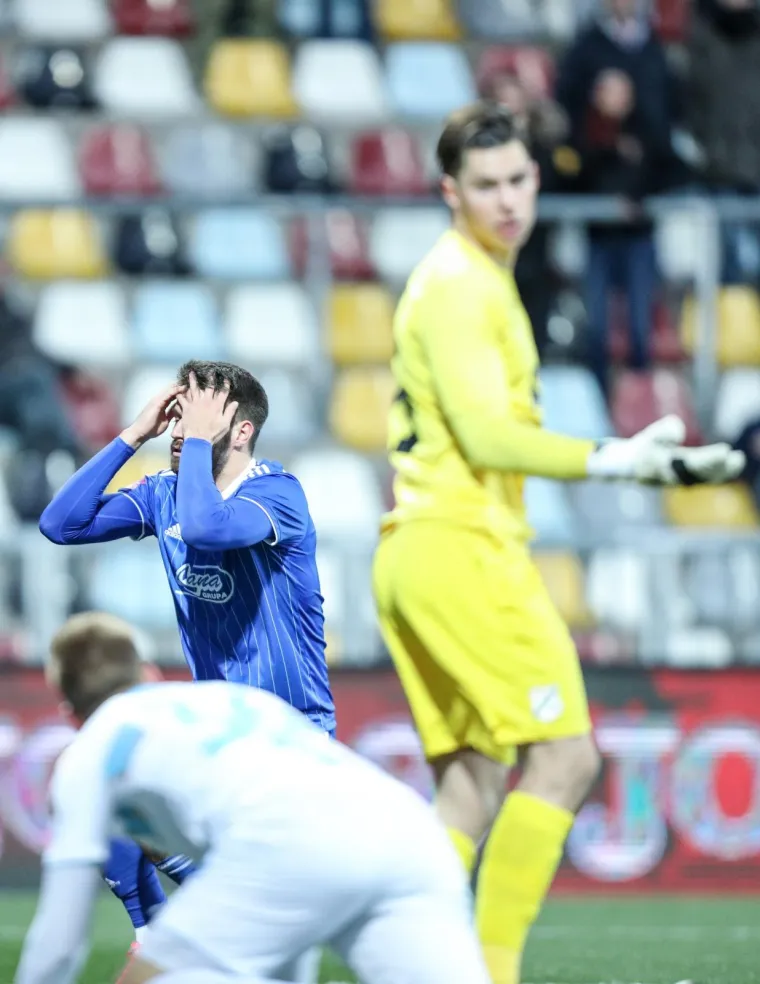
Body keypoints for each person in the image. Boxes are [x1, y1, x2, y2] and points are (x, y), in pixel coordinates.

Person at [372, 100, 744, 984]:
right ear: (450, 192)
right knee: (567, 756)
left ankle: (398, 963)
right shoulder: (461, 285)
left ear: (538, 178)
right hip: (460, 545)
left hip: (421, 550)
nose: (507, 201)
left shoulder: (471, 279)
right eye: (486, 185)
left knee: (470, 785)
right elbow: (487, 437)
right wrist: (617, 459)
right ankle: (489, 973)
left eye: (517, 180)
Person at [38, 360, 334, 981]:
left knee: (258, 935)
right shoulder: (166, 492)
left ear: (241, 430)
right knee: (96, 769)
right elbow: (60, 525)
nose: (181, 430)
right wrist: (133, 435)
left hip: (291, 741)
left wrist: (195, 442)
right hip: (219, 736)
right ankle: (152, 931)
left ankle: (208, 922)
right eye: (178, 416)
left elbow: (206, 527)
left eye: (197, 417)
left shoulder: (276, 495)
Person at [14, 611, 490, 984]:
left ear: (69, 712)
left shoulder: (90, 748)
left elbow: (59, 941)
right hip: (407, 831)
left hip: (284, 846)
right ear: (150, 672)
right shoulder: (231, 698)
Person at [555, 0, 675, 393]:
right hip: (598, 226)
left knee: (641, 330)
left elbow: (666, 148)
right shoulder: (586, 50)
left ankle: (639, 404)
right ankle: (599, 405)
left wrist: (641, 193)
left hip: (641, 225)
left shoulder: (653, 52)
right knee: (597, 330)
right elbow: (571, 146)